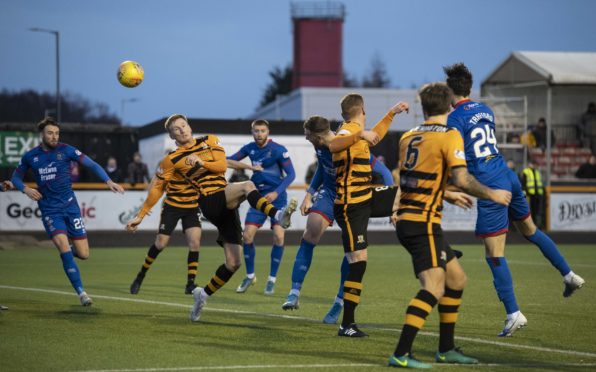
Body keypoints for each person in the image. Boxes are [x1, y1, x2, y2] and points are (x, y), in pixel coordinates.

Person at [444, 63, 585, 337]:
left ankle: (513, 313)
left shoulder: (454, 120)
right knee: (531, 231)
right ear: (469, 88)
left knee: (494, 254)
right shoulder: (486, 110)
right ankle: (569, 275)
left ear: (450, 90)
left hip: (489, 184)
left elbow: (458, 155)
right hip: (508, 175)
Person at [124, 114, 296, 322]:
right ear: (172, 136)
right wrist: (140, 215)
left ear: (189, 126)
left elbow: (222, 166)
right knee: (248, 186)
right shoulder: (171, 160)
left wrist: (201, 163)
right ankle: (278, 215)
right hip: (208, 200)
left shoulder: (210, 140)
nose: (182, 130)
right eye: (176, 129)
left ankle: (201, 295)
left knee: (234, 263)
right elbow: (157, 188)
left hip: (226, 201)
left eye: (184, 125)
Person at [388, 82, 513, 368]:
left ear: (423, 107)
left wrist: (446, 194)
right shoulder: (450, 135)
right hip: (422, 222)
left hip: (412, 218)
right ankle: (401, 353)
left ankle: (446, 349)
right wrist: (492, 193)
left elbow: (408, 178)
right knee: (433, 286)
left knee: (457, 279)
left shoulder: (409, 136)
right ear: (449, 106)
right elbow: (462, 178)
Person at [280, 115, 395, 323]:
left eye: (307, 136)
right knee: (310, 232)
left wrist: (391, 205)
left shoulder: (350, 145)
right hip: (331, 193)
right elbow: (323, 171)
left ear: (317, 136)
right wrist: (309, 194)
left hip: (353, 198)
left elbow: (385, 173)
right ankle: (294, 293)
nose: (306, 139)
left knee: (353, 252)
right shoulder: (321, 146)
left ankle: (339, 302)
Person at [11, 117, 124, 306]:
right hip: (50, 210)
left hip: (71, 207)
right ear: (42, 134)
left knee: (84, 253)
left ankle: (66, 255)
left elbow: (92, 164)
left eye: (56, 133)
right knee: (63, 246)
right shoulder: (31, 156)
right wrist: (26, 189)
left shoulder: (67, 150)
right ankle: (82, 293)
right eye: (50, 133)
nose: (54, 136)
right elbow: (15, 178)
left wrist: (108, 181)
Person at [329, 94, 410, 337]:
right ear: (362, 110)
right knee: (358, 262)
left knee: (406, 195)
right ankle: (347, 324)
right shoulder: (348, 132)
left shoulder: (357, 131)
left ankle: (437, 249)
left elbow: (375, 135)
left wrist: (391, 113)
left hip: (364, 199)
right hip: (350, 205)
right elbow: (333, 145)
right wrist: (360, 134)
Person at [226, 119, 297, 295]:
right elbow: (228, 161)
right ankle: (250, 276)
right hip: (257, 198)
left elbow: (291, 174)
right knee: (247, 236)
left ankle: (271, 280)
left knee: (279, 237)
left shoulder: (279, 150)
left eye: (262, 131)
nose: (259, 134)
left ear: (268, 132)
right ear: (252, 132)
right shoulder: (249, 148)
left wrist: (277, 192)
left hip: (277, 198)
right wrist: (246, 166)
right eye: (256, 131)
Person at [125, 161, 202, 295]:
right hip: (172, 206)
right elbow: (155, 183)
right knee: (160, 244)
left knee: (195, 243)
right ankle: (140, 275)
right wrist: (147, 204)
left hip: (192, 206)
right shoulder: (169, 162)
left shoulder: (196, 157)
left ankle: (190, 284)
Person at [520, 161, 545, 229]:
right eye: (532, 163)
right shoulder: (526, 171)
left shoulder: (537, 172)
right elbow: (523, 183)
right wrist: (525, 192)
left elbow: (540, 182)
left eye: (534, 164)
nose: (533, 165)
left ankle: (537, 225)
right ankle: (530, 225)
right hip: (530, 194)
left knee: (537, 210)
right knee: (530, 210)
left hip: (538, 193)